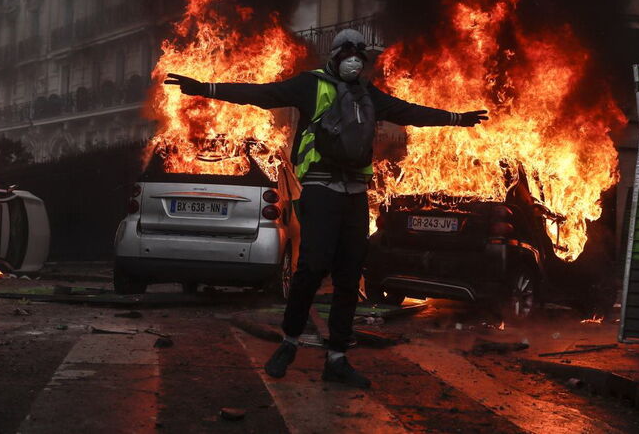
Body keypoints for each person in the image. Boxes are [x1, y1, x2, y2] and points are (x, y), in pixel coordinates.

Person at [165, 29, 487, 388]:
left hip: (354, 193)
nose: (353, 61)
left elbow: (409, 111)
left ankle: (337, 358)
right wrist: (206, 88)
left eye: (358, 56)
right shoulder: (309, 85)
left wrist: (456, 119)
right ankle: (288, 342)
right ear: (334, 56)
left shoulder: (367, 94)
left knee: (350, 275)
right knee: (313, 266)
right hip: (319, 188)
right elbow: (261, 94)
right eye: (347, 53)